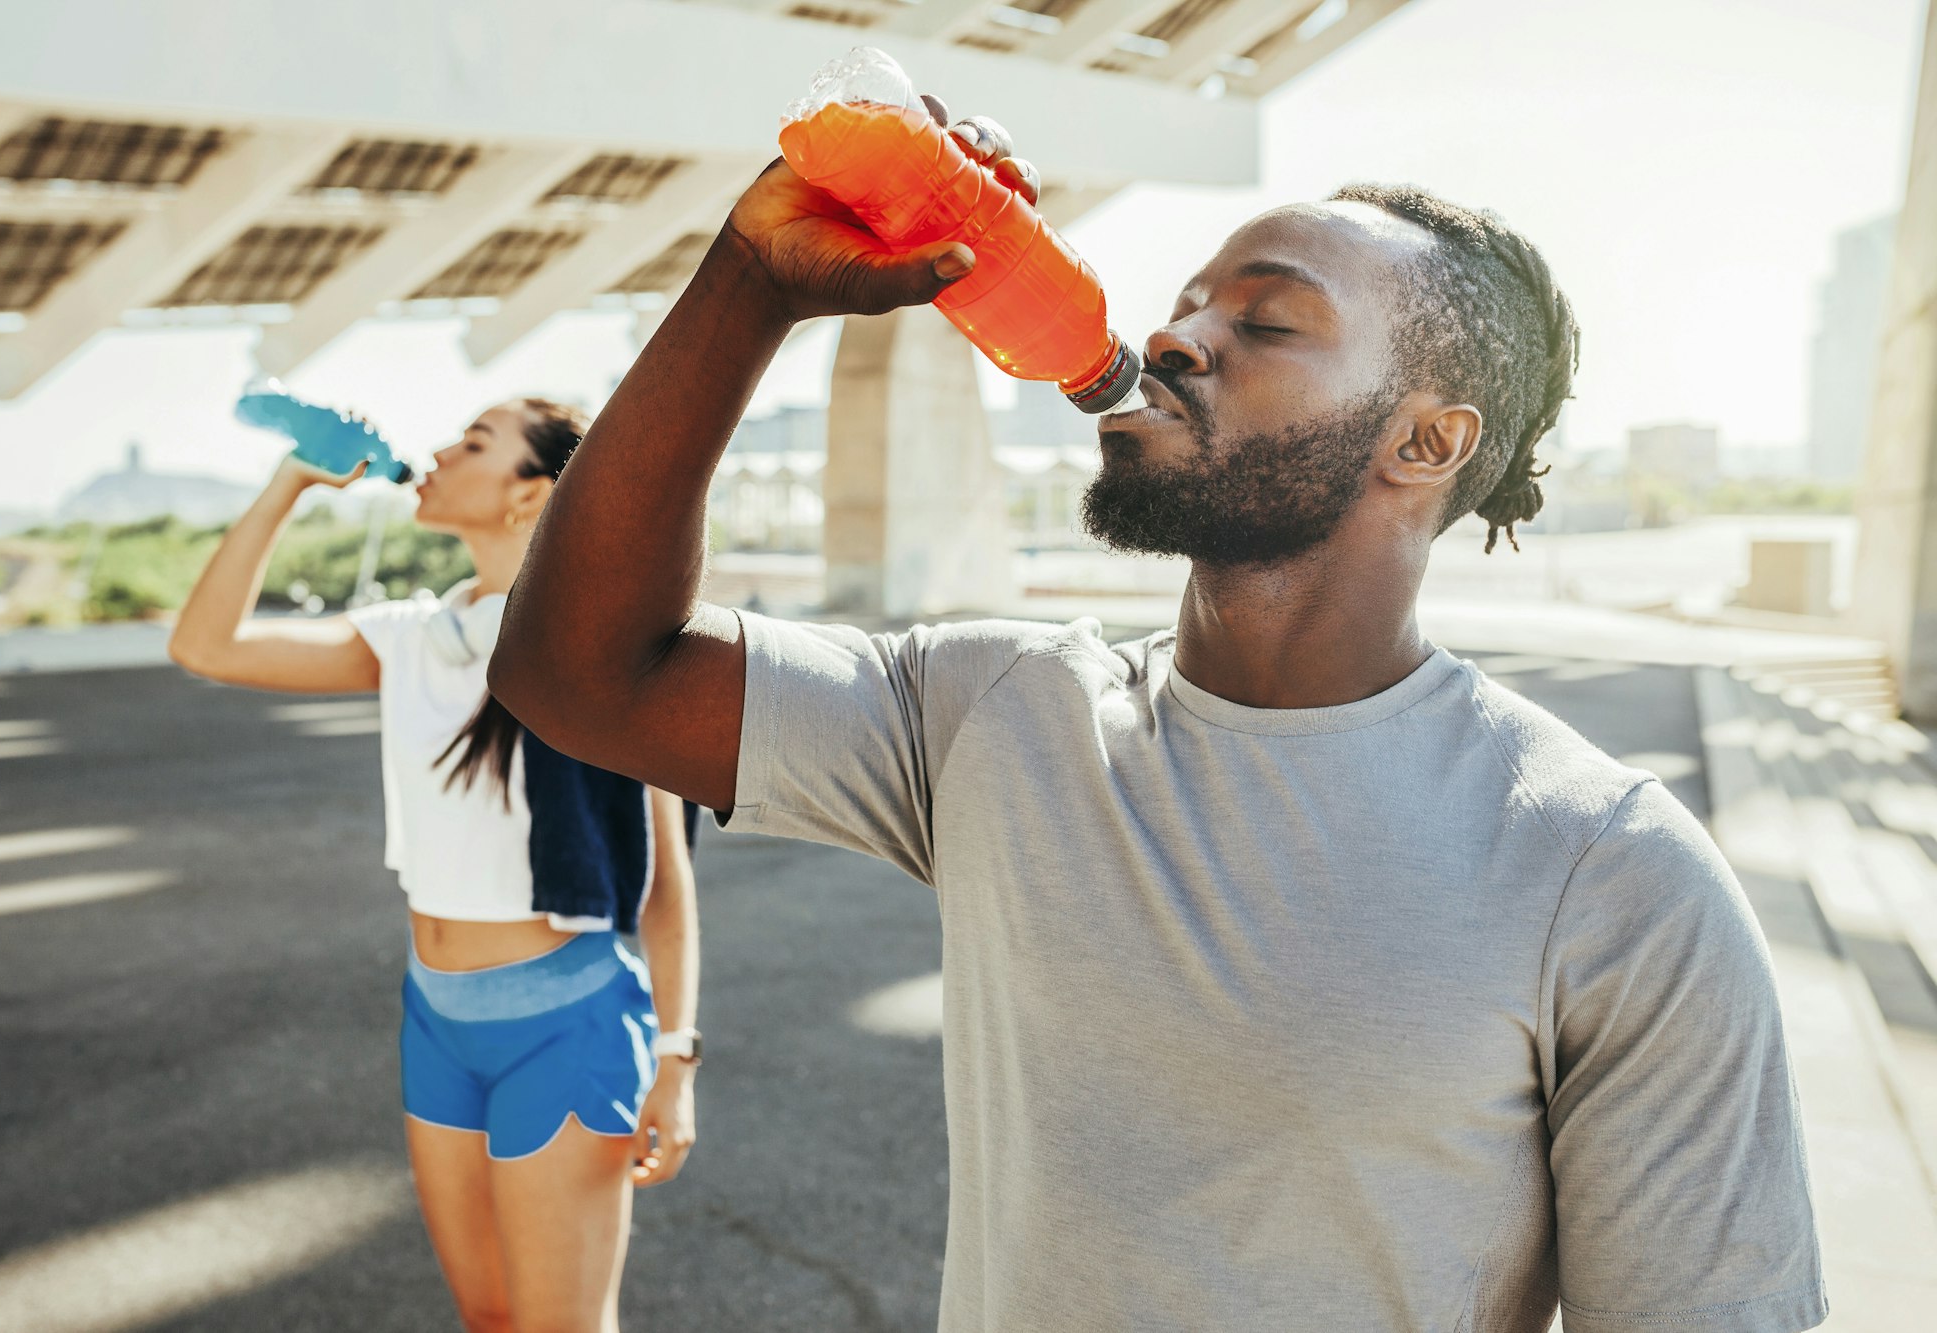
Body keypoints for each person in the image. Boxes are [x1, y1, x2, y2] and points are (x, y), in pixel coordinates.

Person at [488, 103, 1825, 1333]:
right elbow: (581, 675)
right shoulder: (995, 715)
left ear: (1423, 444)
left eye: (1270, 321)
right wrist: (752, 283)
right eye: (1188, 304)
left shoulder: (1611, 874)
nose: (1178, 337)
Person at [169, 398, 701, 1333]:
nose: (440, 452)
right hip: (437, 1018)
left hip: (567, 1021)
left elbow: (665, 879)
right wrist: (293, 478)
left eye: (475, 443)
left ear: (527, 494)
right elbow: (204, 644)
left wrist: (676, 1055)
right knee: (488, 1318)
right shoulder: (410, 637)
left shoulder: (600, 644)